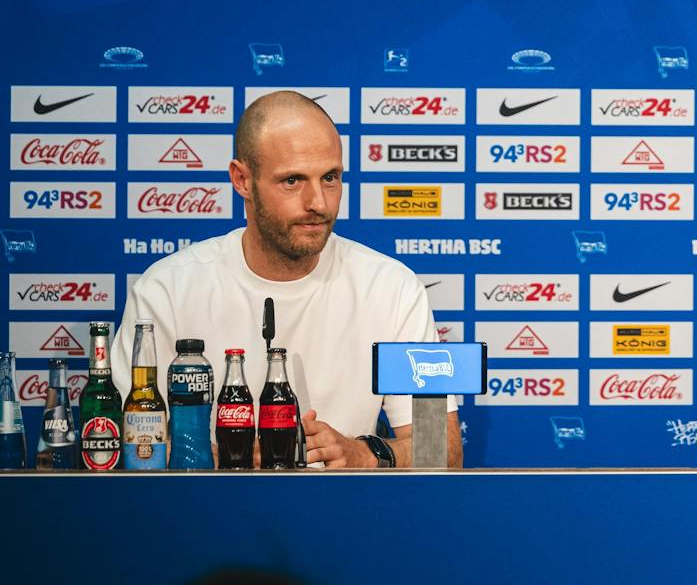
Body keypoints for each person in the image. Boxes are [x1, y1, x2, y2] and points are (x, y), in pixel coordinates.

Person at [112, 90, 460, 467]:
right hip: (204, 504)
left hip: (343, 503)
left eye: (330, 177)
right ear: (242, 180)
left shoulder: (394, 288)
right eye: (292, 180)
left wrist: (365, 454)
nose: (319, 203)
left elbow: (442, 448)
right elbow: (124, 447)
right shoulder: (166, 291)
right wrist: (229, 460)